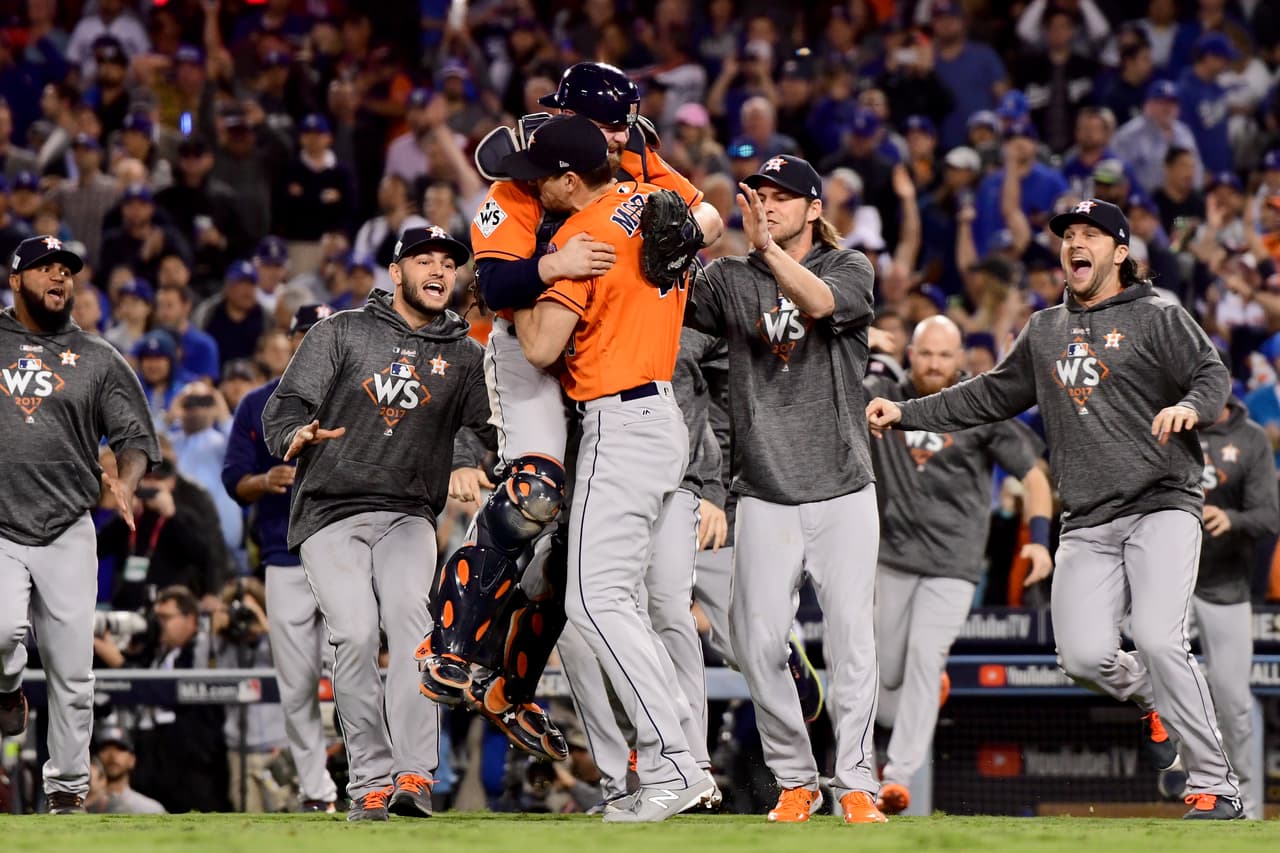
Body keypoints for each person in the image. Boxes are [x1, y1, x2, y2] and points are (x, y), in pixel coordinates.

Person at [865, 198, 1244, 820]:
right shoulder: (1043, 331)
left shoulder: (1157, 315)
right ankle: (1152, 696)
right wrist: (907, 412)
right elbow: (989, 394)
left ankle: (1215, 784)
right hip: (1089, 520)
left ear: (1119, 252)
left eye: (1092, 233)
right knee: (1081, 657)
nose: (1077, 242)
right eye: (1070, 233)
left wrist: (1192, 409)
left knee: (1157, 636)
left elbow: (1211, 374)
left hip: (1161, 502)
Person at [418, 60, 723, 766]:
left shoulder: (627, 151)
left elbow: (700, 206)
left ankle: (512, 683)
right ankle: (451, 641)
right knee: (535, 491)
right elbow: (492, 282)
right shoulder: (521, 165)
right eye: (611, 125)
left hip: (598, 356)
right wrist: (554, 267)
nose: (624, 137)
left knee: (573, 553)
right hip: (529, 336)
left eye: (625, 124)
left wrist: (686, 231)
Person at [509, 115, 713, 822]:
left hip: (619, 420)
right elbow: (706, 217)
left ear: (571, 177)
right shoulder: (653, 199)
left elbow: (540, 348)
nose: (537, 187)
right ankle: (677, 761)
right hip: (662, 413)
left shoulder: (579, 234)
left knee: (594, 602)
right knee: (621, 603)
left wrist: (518, 293)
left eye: (545, 176)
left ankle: (674, 765)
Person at [262, 227, 492, 821]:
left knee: (416, 630)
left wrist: (469, 459)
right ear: (396, 272)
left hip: (407, 513)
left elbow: (485, 426)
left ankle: (414, 776)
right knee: (357, 635)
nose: (439, 270)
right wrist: (296, 435)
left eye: (449, 262)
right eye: (424, 260)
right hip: (329, 510)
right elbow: (284, 407)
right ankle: (368, 781)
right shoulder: (339, 332)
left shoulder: (467, 356)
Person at [684, 154, 885, 825]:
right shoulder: (729, 280)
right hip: (764, 489)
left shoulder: (848, 267)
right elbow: (674, 315)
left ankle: (856, 781)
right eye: (759, 197)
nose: (767, 207)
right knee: (758, 640)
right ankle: (796, 778)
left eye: (782, 197)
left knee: (853, 638)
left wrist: (767, 250)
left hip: (842, 486)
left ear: (814, 209)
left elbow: (821, 306)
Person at [865, 314, 1054, 815]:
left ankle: (897, 777)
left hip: (954, 563)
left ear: (960, 360)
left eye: (944, 355)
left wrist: (1037, 541)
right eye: (926, 353)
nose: (933, 363)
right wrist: (857, 337)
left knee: (927, 656)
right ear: (911, 354)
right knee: (883, 678)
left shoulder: (978, 406)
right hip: (891, 559)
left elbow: (1034, 477)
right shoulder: (881, 395)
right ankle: (922, 698)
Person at [0, 235, 159, 815]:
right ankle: (6, 685)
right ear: (16, 280)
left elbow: (136, 437)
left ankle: (67, 792)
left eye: (66, 271)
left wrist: (128, 482)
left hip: (68, 524)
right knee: (0, 632)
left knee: (74, 671)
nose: (58, 278)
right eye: (45, 269)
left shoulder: (97, 356)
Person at [221, 303, 338, 813]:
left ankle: (371, 778)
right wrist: (263, 481)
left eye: (322, 332)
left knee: (356, 672)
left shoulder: (360, 395)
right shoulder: (257, 403)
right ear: (288, 341)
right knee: (296, 686)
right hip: (284, 554)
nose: (311, 340)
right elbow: (234, 480)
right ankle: (317, 791)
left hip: (344, 554)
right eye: (304, 332)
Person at [1192, 396, 1278, 819]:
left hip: (1226, 584)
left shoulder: (1250, 438)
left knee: (1233, 702)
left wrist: (1233, 519)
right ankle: (1197, 787)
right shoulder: (1168, 425)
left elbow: (1270, 516)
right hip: (1168, 584)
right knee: (1148, 670)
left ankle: (1247, 811)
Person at [88, 725, 166, 814]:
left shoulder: (151, 810)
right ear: (94, 759)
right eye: (105, 749)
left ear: (132, 760)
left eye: (120, 749)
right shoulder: (83, 806)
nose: (112, 755)